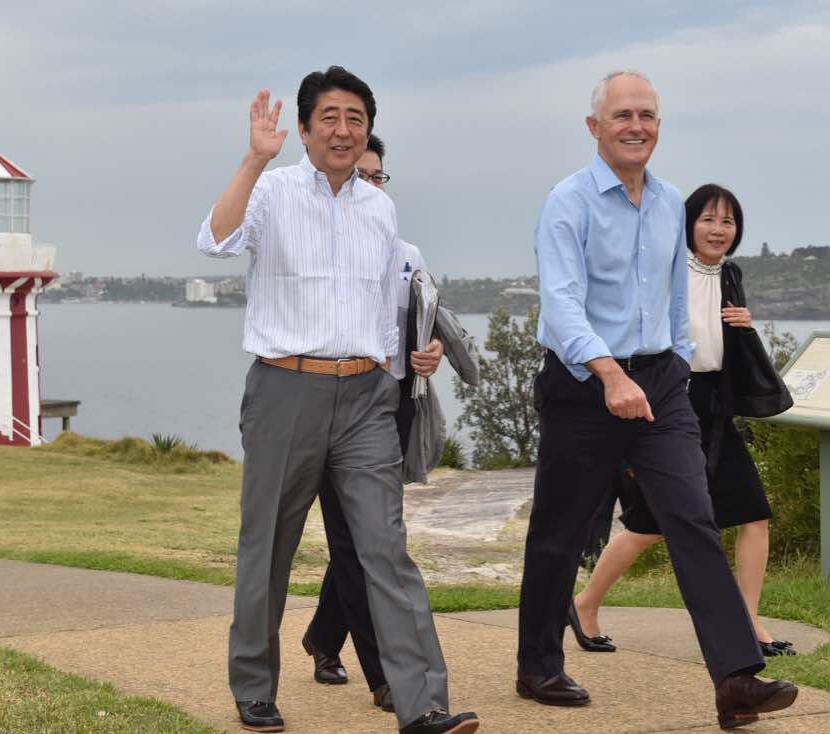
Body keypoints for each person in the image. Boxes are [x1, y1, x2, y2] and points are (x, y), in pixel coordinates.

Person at [196, 66, 478, 734]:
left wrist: (406, 361)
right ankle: (255, 686)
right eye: (330, 116)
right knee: (268, 546)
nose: (344, 129)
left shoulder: (380, 208)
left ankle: (424, 704)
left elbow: (385, 306)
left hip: (365, 399)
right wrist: (252, 159)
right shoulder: (270, 191)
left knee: (387, 548)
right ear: (303, 128)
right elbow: (215, 239)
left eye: (356, 118)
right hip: (283, 389)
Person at [517, 69, 798, 730]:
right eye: (623, 115)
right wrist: (611, 375)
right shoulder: (569, 202)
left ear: (658, 126)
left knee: (693, 517)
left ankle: (735, 680)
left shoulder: (671, 201)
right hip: (582, 385)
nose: (636, 126)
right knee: (558, 531)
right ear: (595, 127)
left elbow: (675, 302)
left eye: (647, 115)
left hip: (661, 386)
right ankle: (538, 666)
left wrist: (669, 361)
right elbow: (559, 306)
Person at [571, 184, 796, 657]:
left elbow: (719, 344)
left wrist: (741, 326)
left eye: (729, 222)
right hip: (671, 401)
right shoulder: (669, 272)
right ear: (689, 223)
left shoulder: (729, 275)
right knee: (649, 525)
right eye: (709, 219)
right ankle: (585, 604)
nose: (719, 230)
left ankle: (749, 622)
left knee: (753, 514)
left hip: (716, 407)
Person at [301, 134, 445, 715]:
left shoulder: (408, 252)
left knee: (372, 541)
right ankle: (384, 675)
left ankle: (321, 636)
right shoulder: (316, 247)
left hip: (393, 407)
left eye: (379, 176)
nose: (370, 184)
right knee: (355, 541)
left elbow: (426, 324)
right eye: (361, 175)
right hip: (333, 406)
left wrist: (430, 353)